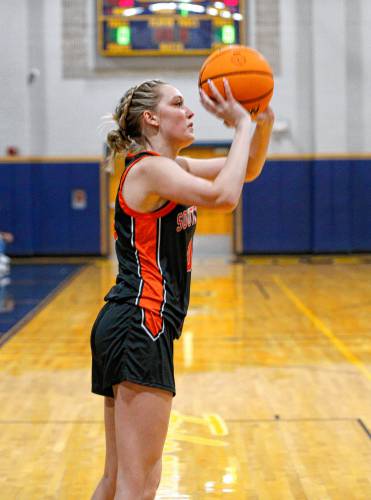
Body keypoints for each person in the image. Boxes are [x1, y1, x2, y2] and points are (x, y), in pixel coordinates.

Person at [90, 78, 274, 500]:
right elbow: (225, 197)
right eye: (178, 104)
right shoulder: (151, 168)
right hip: (142, 322)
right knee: (140, 484)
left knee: (118, 479)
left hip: (128, 321)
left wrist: (260, 122)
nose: (189, 111)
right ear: (151, 118)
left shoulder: (171, 169)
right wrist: (241, 125)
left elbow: (245, 171)